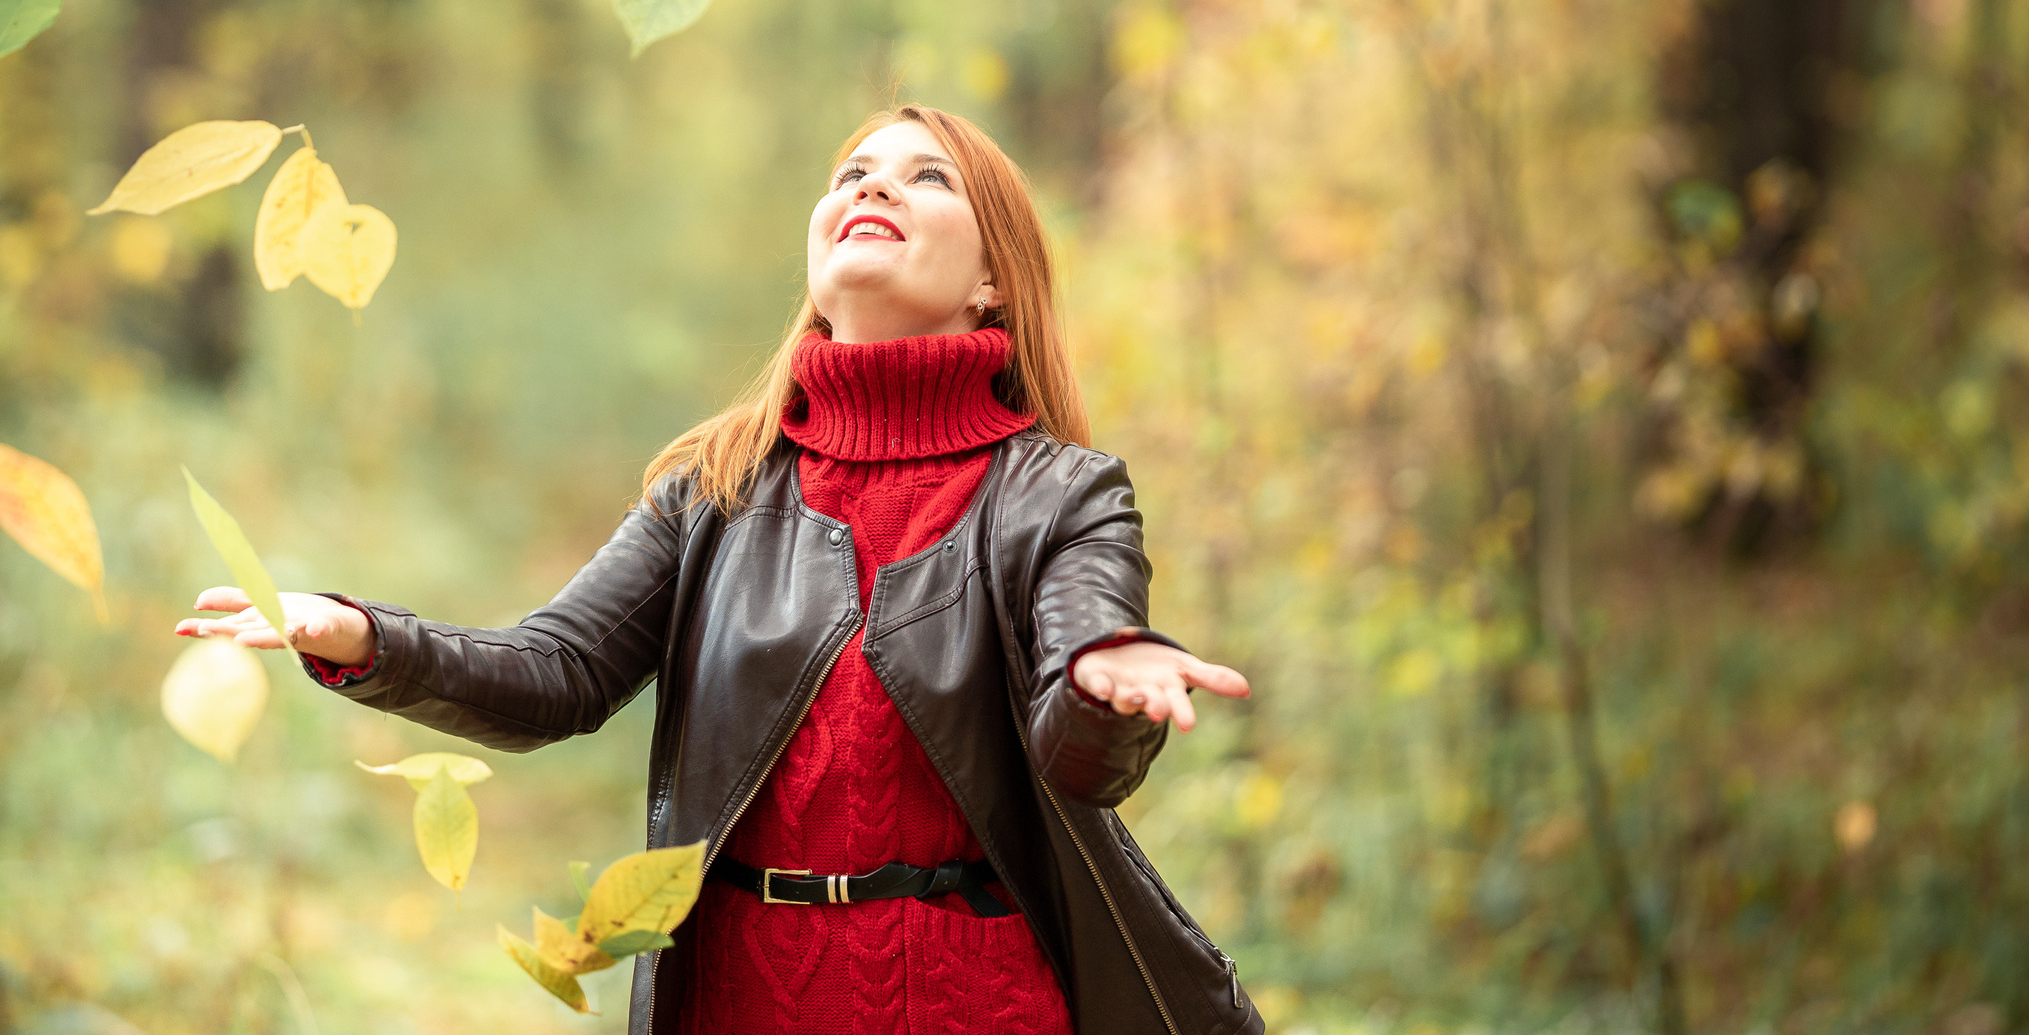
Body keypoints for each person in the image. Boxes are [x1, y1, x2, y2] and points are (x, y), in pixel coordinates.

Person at [176, 104, 1264, 1035]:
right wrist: (365, 635)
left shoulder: (1059, 490)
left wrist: (1102, 681)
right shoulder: (720, 481)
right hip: (738, 990)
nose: (874, 184)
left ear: (992, 277)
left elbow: (1084, 717)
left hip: (970, 997)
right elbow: (555, 671)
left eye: (926, 175)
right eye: (853, 173)